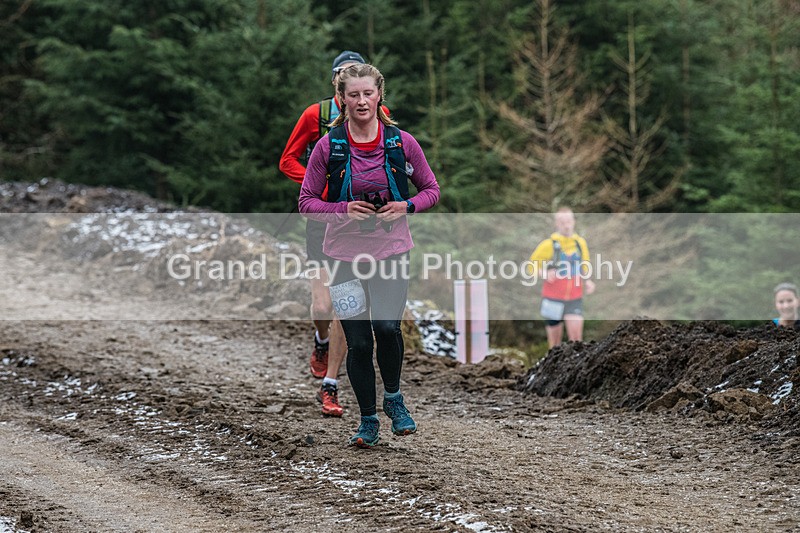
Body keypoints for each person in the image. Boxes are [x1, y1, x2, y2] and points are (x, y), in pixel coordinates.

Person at [298, 63, 440, 448]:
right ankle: (367, 421)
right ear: (342, 99)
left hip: (391, 252)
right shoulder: (330, 146)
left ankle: (393, 399)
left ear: (379, 95)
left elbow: (431, 189)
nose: (362, 101)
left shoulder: (400, 142)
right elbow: (306, 203)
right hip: (342, 257)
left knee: (388, 329)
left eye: (368, 93)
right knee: (359, 342)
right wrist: (342, 209)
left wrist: (405, 207)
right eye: (353, 95)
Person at [280, 51, 384, 417]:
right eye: (345, 78)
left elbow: (392, 157)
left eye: (361, 83)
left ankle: (331, 384)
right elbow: (287, 159)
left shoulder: (378, 115)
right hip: (323, 221)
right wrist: (318, 188)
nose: (355, 93)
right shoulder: (316, 115)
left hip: (357, 227)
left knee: (347, 306)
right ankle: (320, 340)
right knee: (323, 306)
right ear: (336, 83)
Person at [528, 207, 595, 348]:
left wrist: (588, 281)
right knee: (555, 345)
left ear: (574, 222)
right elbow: (530, 266)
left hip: (575, 297)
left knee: (577, 342)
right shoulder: (548, 245)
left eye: (569, 221)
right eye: (562, 222)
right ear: (556, 224)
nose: (566, 225)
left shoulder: (580, 243)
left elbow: (585, 264)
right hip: (552, 298)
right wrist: (544, 274)